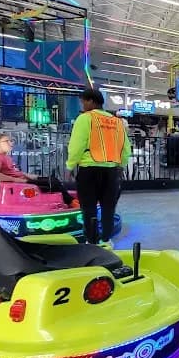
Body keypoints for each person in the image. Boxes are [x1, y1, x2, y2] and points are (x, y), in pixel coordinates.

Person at [66, 88, 131, 248]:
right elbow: (125, 148)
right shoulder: (117, 122)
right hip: (111, 171)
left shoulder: (85, 118)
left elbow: (77, 145)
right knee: (109, 207)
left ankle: (91, 241)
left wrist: (70, 166)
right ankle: (106, 240)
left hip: (89, 170)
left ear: (91, 101)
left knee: (89, 208)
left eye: (83, 102)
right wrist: (121, 166)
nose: (82, 105)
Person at [0, 133, 77, 206]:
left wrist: (31, 176)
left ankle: (71, 201)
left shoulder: (5, 156)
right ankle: (71, 202)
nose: (11, 143)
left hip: (22, 179)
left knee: (53, 180)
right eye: (7, 141)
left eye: (10, 141)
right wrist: (19, 180)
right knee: (53, 183)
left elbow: (14, 172)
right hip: (18, 183)